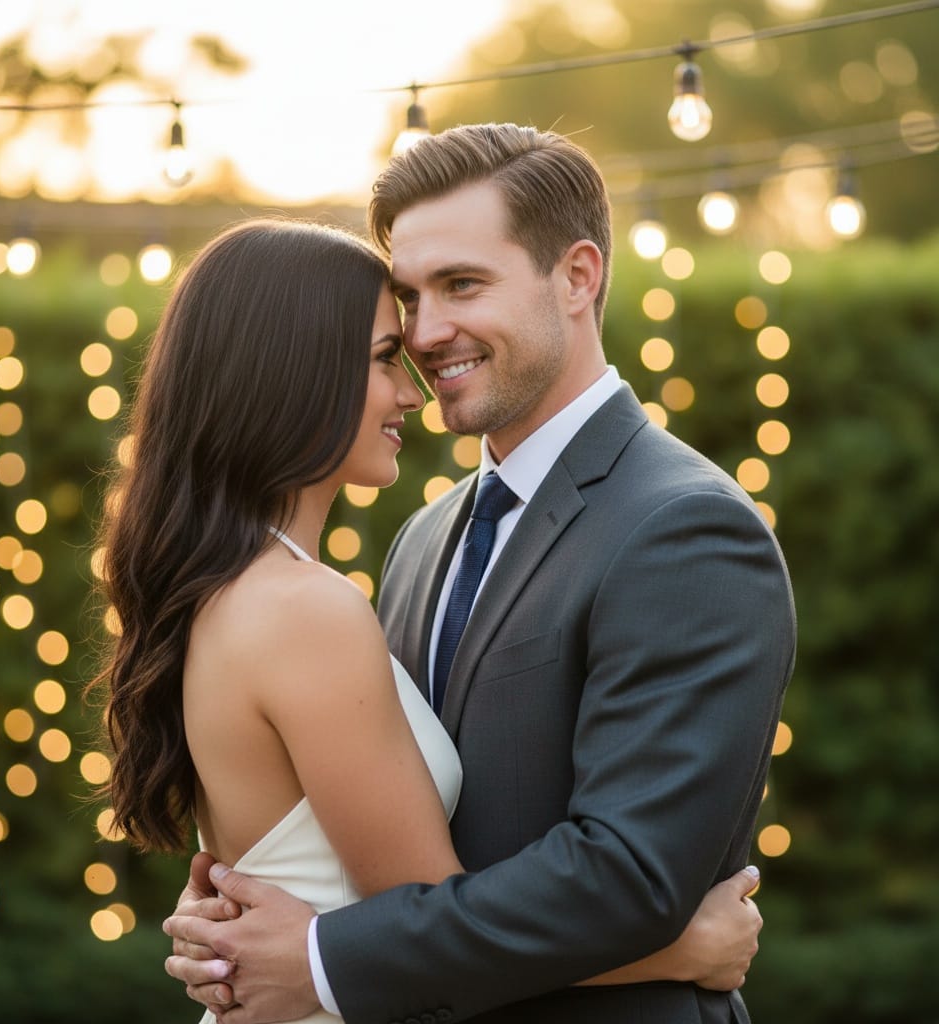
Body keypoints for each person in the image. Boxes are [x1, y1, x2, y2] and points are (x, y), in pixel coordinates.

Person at [164, 125, 796, 1024]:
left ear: (577, 277)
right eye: (409, 297)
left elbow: (628, 875)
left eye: (462, 285)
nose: (426, 333)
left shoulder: (684, 527)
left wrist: (320, 956)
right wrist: (246, 911)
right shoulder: (423, 538)